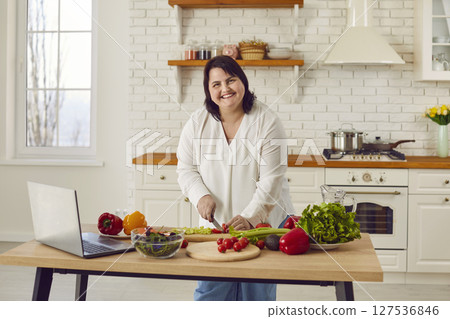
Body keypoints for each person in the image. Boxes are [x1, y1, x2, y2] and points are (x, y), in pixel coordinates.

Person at [176, 55, 295, 301]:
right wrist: (200, 195)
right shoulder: (197, 122)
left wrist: (250, 218)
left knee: (256, 297)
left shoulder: (267, 122)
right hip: (217, 230)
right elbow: (185, 168)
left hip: (261, 229)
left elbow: (271, 180)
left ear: (243, 81)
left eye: (231, 80)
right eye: (216, 84)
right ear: (208, 91)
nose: (225, 89)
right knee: (210, 295)